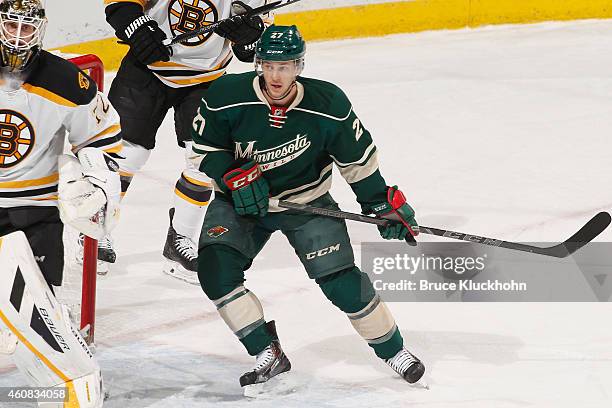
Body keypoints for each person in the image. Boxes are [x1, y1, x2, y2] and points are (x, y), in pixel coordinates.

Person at [191, 24, 426, 387]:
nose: (275, 75)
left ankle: (394, 351)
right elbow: (204, 149)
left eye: (284, 66)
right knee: (214, 270)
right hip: (239, 205)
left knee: (341, 284)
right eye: (268, 65)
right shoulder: (227, 94)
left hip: (306, 203)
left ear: (299, 66)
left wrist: (380, 203)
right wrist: (230, 174)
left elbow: (357, 163)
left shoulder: (328, 104)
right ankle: (266, 351)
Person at [0, 0, 121, 405]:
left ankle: (61, 391)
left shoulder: (67, 80)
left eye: (26, 27)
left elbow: (102, 139)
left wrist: (96, 185)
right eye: (10, 25)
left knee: (39, 317)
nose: (18, 36)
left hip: (35, 210)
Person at [103, 0, 268, 283]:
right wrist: (136, 27)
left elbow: (249, 48)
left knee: (205, 159)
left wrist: (249, 35)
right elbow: (121, 5)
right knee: (125, 153)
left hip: (206, 78)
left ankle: (181, 238)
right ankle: (97, 231)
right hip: (147, 69)